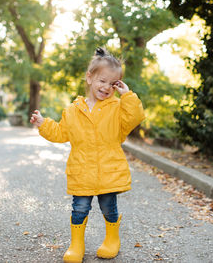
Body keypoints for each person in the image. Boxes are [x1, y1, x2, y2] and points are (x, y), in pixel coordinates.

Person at [30, 47, 145, 263]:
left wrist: (127, 94)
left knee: (108, 207)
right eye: (102, 81)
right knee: (79, 208)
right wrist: (43, 124)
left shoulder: (118, 108)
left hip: (108, 171)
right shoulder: (73, 110)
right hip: (82, 171)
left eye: (112, 84)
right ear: (89, 77)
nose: (106, 88)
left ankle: (112, 239)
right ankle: (77, 244)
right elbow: (61, 132)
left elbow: (136, 116)